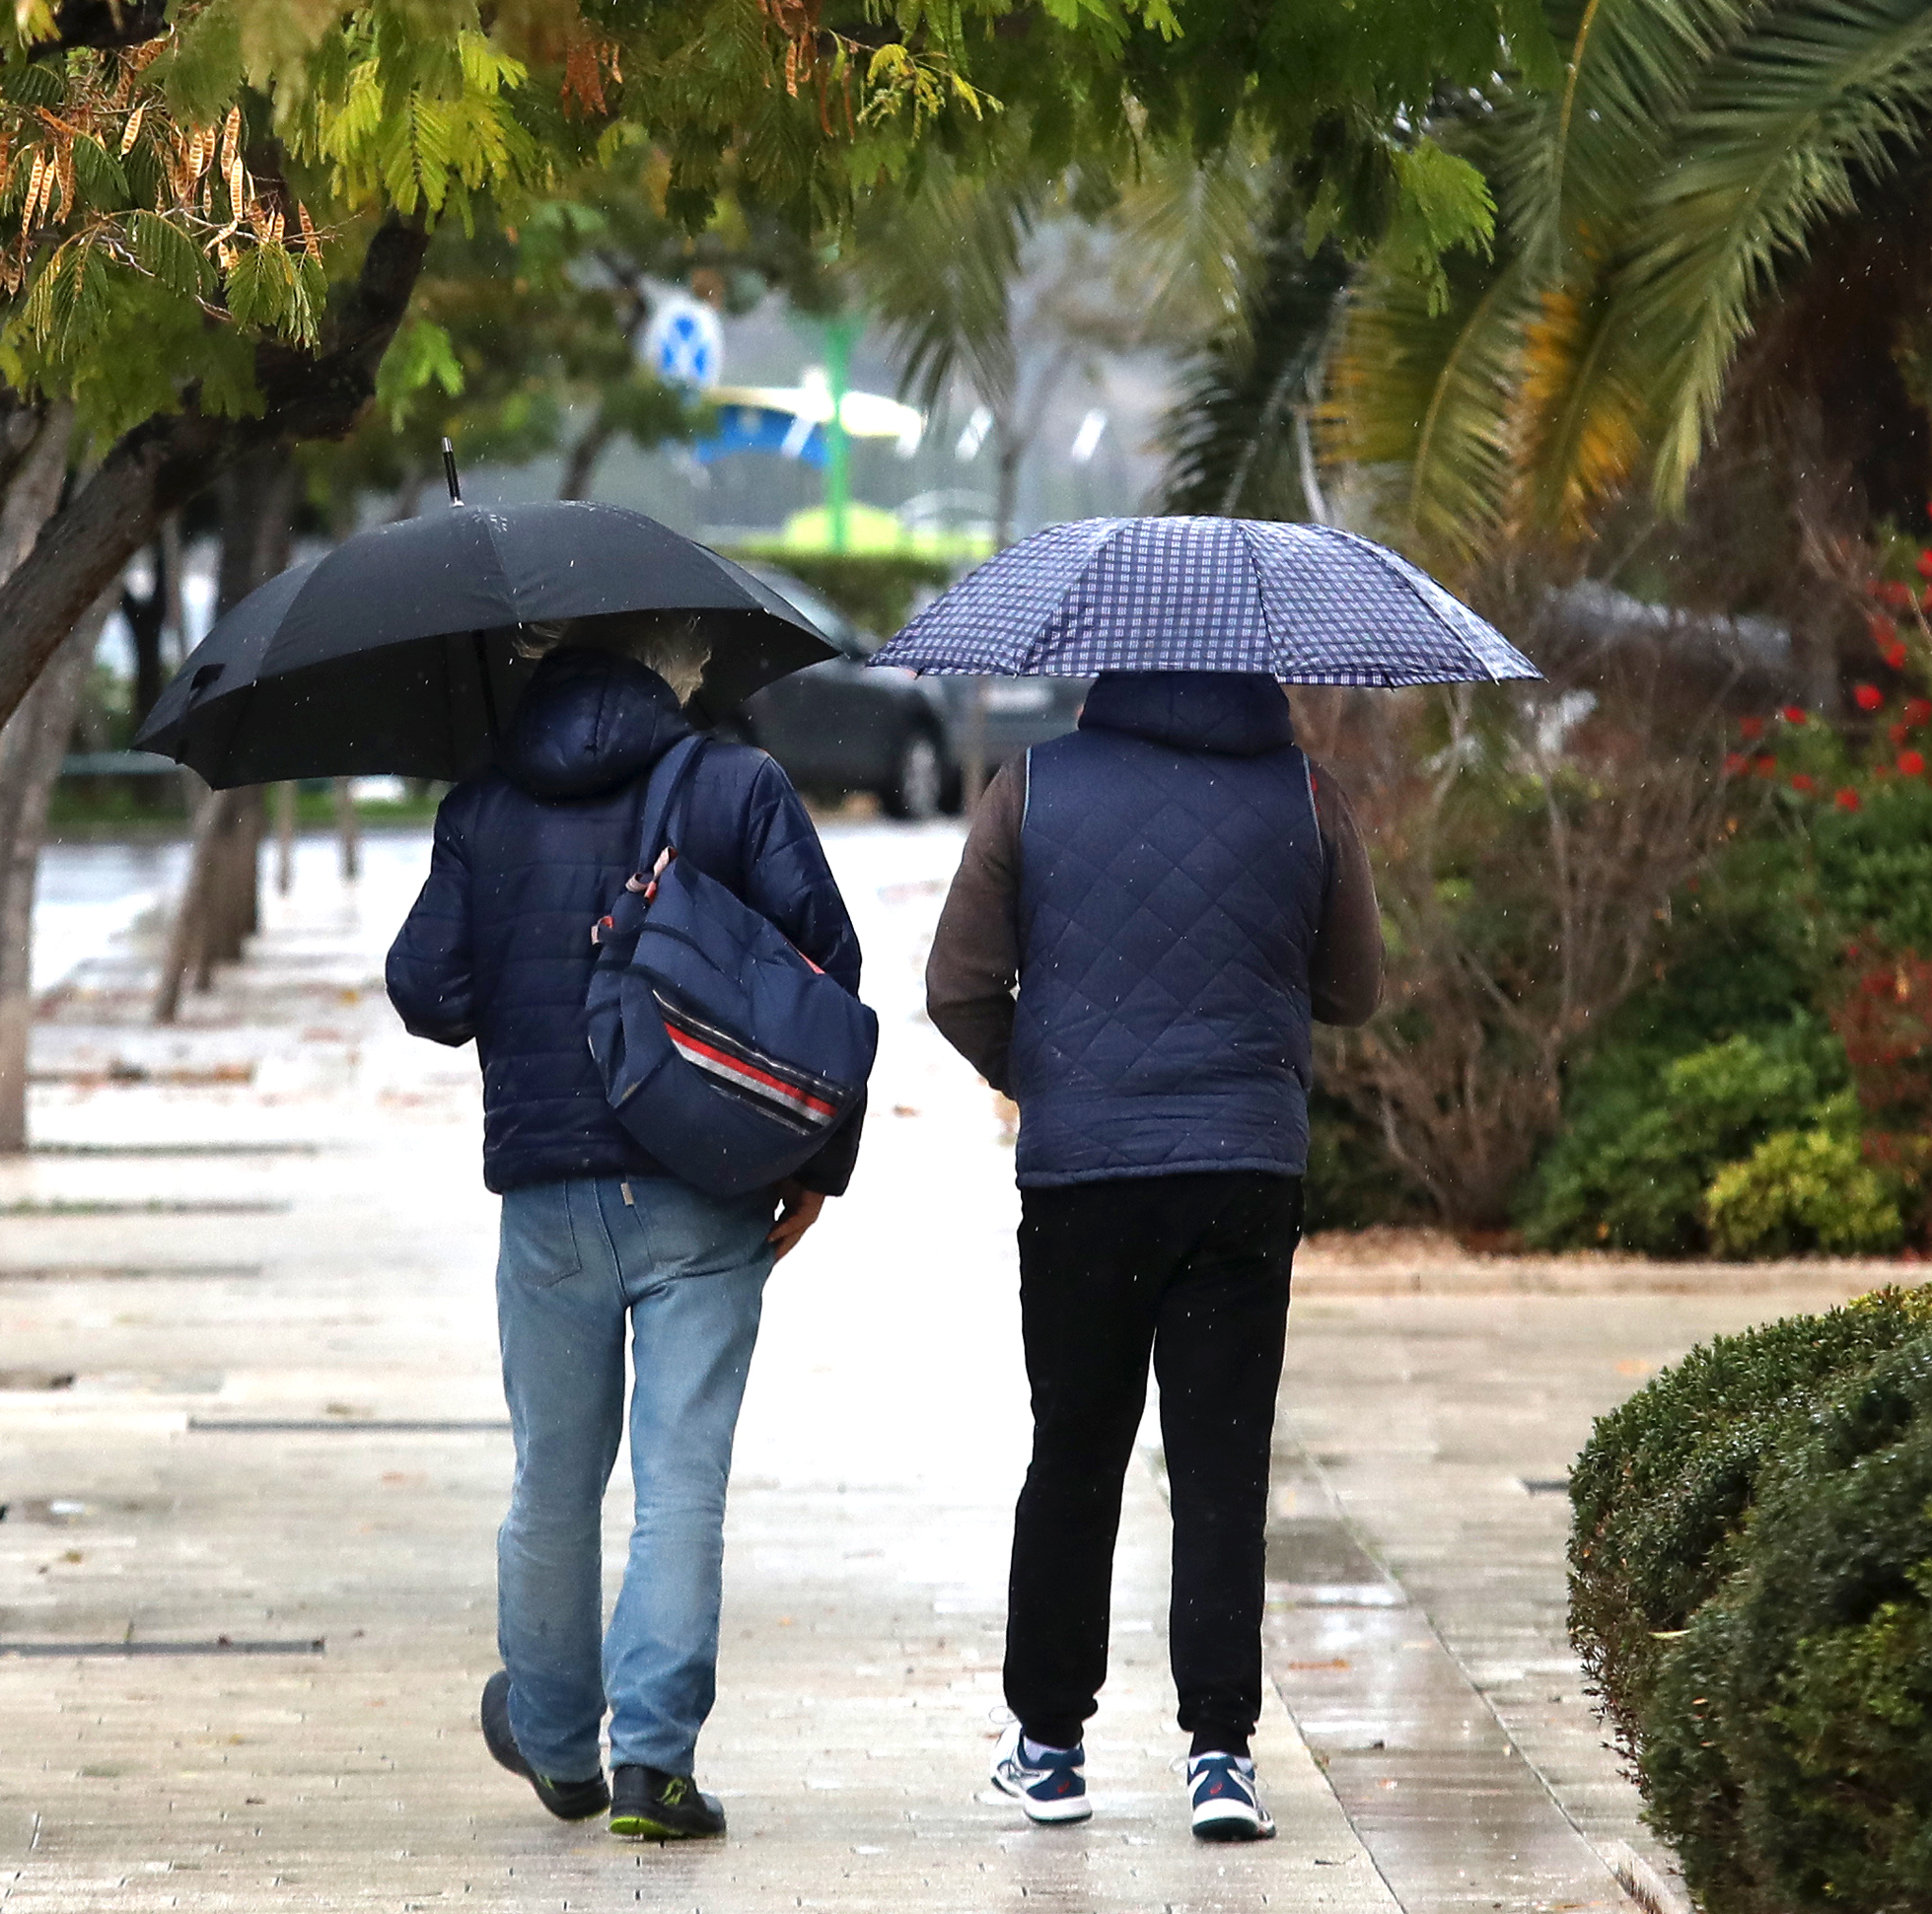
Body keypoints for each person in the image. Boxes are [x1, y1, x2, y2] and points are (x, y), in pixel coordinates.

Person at [386, 609, 865, 1845]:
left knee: (552, 1477)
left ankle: (553, 1741)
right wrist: (820, 1165)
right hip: (703, 1184)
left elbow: (425, 991)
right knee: (678, 1486)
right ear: (678, 662)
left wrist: (517, 944)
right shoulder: (735, 784)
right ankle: (652, 1764)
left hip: (544, 1192)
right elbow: (828, 979)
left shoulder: (484, 803)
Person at [920, 667, 1385, 1841]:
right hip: (1242, 1169)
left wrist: (1041, 1078)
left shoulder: (1028, 787)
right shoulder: (1304, 794)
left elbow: (955, 984)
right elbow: (1354, 988)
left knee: (1074, 1453)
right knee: (1221, 1465)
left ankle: (1049, 1746)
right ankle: (1219, 1755)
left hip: (1081, 1180)